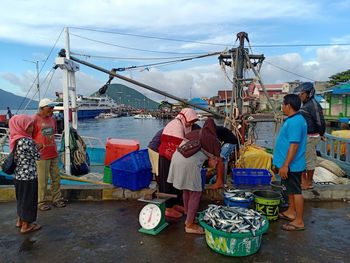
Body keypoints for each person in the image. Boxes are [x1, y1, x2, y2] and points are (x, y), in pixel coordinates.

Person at [167, 118, 221, 234]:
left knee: (186, 189)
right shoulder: (214, 140)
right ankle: (189, 224)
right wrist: (213, 166)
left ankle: (188, 214)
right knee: (196, 193)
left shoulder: (193, 133)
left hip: (176, 158)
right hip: (189, 164)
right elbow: (213, 163)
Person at [273, 94, 307, 231]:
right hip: (287, 164)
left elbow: (294, 145)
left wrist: (286, 164)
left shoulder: (295, 122)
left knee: (296, 191)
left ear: (288, 105)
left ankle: (299, 221)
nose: (282, 106)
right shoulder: (293, 119)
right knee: (290, 190)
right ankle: (291, 211)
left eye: (283, 104)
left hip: (292, 165)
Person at [158, 108, 198, 219]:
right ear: (184, 117)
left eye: (193, 121)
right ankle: (167, 208)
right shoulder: (176, 125)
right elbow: (181, 146)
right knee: (167, 182)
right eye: (190, 120)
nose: (191, 123)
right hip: (166, 157)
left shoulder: (185, 125)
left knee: (175, 182)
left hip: (174, 157)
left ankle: (174, 203)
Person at [9, 115, 41, 234]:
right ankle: (26, 226)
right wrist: (39, 147)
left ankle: (20, 221)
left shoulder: (15, 139)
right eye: (30, 126)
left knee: (21, 199)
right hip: (29, 176)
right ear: (22, 126)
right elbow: (37, 156)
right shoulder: (26, 141)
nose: (32, 128)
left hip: (18, 176)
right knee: (29, 200)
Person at [32, 98, 66, 211]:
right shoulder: (34, 119)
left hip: (53, 153)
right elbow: (29, 136)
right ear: (42, 108)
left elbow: (53, 133)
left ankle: (57, 199)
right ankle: (41, 202)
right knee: (42, 180)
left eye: (53, 107)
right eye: (50, 107)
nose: (52, 109)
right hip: (41, 155)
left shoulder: (52, 119)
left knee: (56, 178)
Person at [293, 82, 326, 190]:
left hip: (311, 137)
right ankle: (303, 181)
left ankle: (308, 182)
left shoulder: (313, 105)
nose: (300, 96)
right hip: (305, 136)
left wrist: (321, 133)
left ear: (308, 94)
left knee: (309, 160)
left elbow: (320, 121)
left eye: (302, 94)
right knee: (302, 158)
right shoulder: (306, 105)